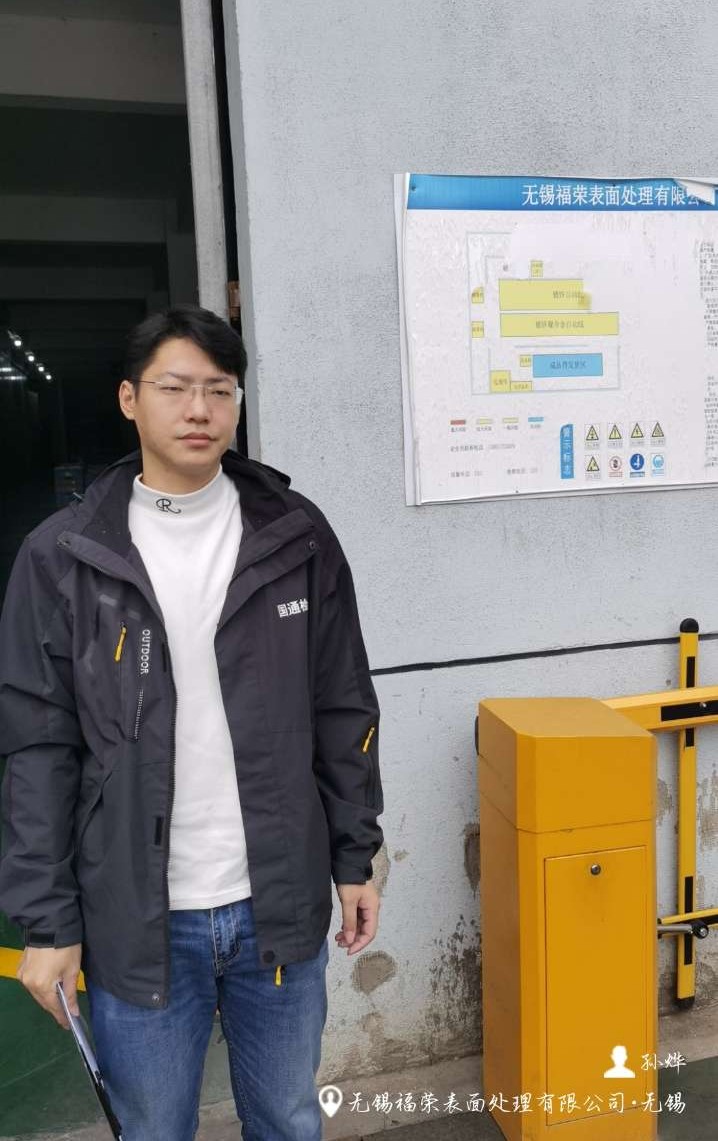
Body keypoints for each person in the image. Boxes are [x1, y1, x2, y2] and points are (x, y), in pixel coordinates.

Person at [0, 304, 383, 1141]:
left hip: (275, 899)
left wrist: (356, 855)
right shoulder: (65, 558)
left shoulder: (296, 535)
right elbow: (39, 749)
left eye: (219, 389)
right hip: (136, 914)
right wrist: (49, 921)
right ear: (130, 399)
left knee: (287, 1117)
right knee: (152, 1127)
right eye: (175, 388)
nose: (200, 409)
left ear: (238, 402)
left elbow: (343, 701)